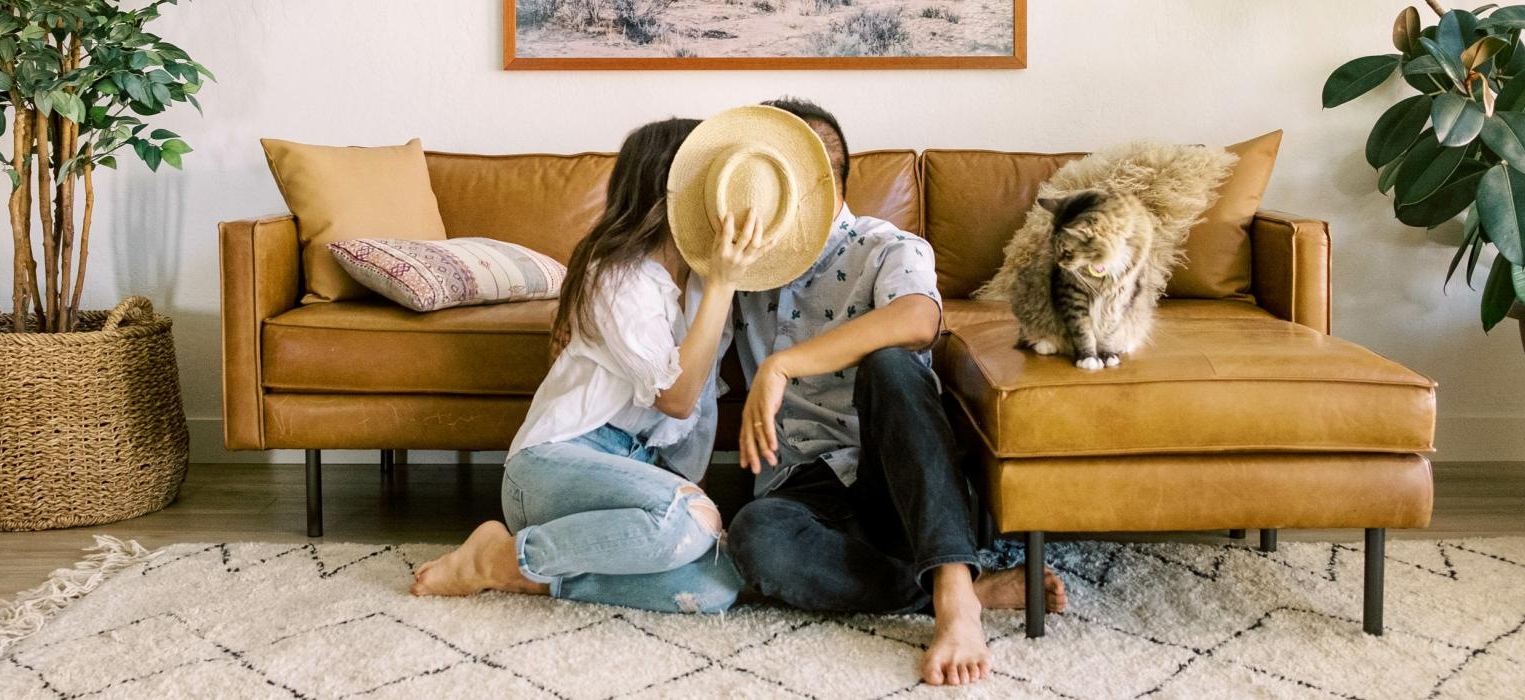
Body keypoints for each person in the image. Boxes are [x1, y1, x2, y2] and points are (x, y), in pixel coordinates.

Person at [723, 98, 1069, 686]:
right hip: (802, 488)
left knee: (890, 365)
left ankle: (956, 594)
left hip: (896, 475)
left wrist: (781, 365)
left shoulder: (884, 245)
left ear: (827, 188)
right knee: (754, 539)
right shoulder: (744, 266)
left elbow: (917, 319)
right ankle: (943, 588)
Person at [411, 117, 773, 614]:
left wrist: (680, 494)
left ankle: (524, 574)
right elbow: (678, 397)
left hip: (631, 473)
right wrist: (723, 284)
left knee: (715, 587)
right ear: (672, 193)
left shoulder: (697, 285)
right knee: (689, 522)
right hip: (551, 466)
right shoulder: (617, 275)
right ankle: (498, 558)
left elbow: (695, 420)